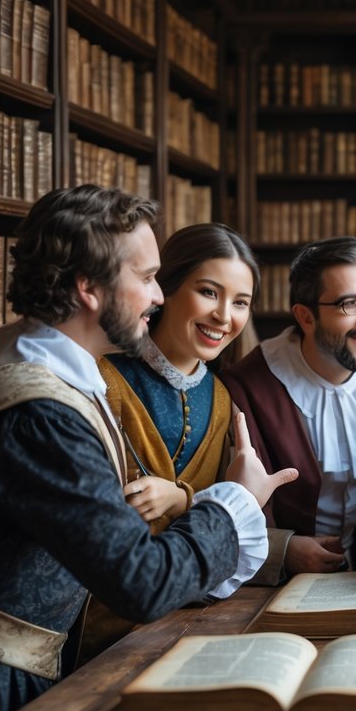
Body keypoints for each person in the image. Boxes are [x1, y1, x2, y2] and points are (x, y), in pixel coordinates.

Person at [0, 185, 294, 711]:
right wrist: (235, 500)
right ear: (89, 289)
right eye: (148, 277)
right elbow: (140, 582)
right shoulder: (38, 409)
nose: (157, 293)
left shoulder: (29, 360)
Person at [220, 237, 356, 579]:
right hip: (274, 589)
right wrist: (282, 550)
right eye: (351, 304)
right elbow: (224, 508)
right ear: (306, 317)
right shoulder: (247, 387)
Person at [100, 223, 261, 533]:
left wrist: (182, 500)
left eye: (240, 302)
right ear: (167, 289)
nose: (224, 316)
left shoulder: (221, 397)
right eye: (209, 292)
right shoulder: (104, 376)